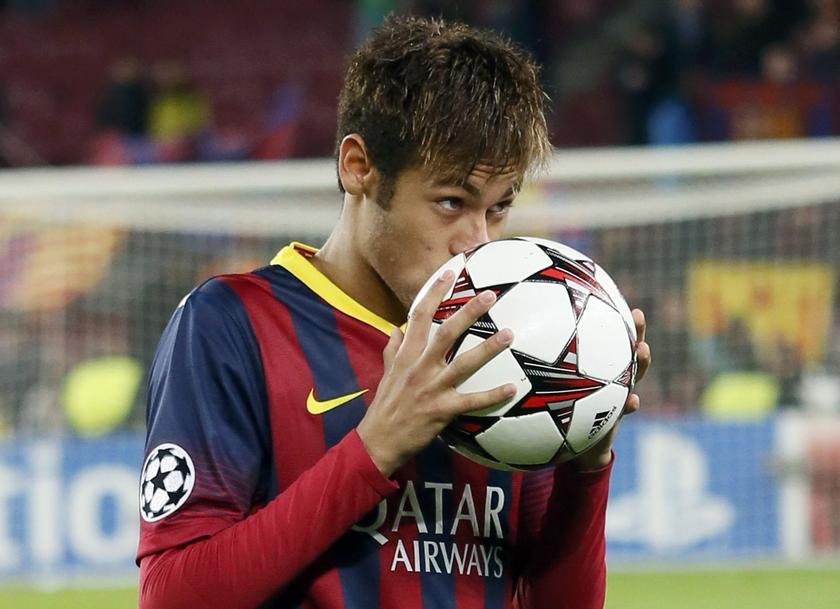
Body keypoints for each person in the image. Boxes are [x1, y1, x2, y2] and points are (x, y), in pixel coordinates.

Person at [137, 15, 651, 609]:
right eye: (450, 201)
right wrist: (375, 448)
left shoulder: (514, 347)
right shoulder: (232, 324)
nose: (476, 242)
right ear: (358, 167)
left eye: (498, 209)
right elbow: (173, 598)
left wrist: (586, 468)